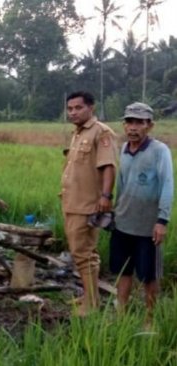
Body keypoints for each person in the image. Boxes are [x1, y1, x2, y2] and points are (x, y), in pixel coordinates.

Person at [109, 102, 174, 322]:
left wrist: (162, 220)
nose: (133, 127)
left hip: (148, 227)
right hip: (123, 223)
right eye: (129, 122)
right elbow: (121, 185)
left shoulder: (159, 151)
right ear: (124, 125)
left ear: (149, 125)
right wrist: (114, 212)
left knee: (149, 275)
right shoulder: (125, 150)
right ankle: (121, 316)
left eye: (139, 122)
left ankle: (149, 319)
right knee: (123, 271)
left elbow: (167, 184)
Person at [61, 91, 117, 316]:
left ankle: (91, 305)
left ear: (91, 108)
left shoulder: (101, 132)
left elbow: (108, 166)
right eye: (70, 109)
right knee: (84, 253)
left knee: (83, 253)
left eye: (78, 108)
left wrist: (105, 197)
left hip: (86, 205)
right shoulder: (78, 133)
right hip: (71, 202)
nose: (73, 112)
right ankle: (89, 295)